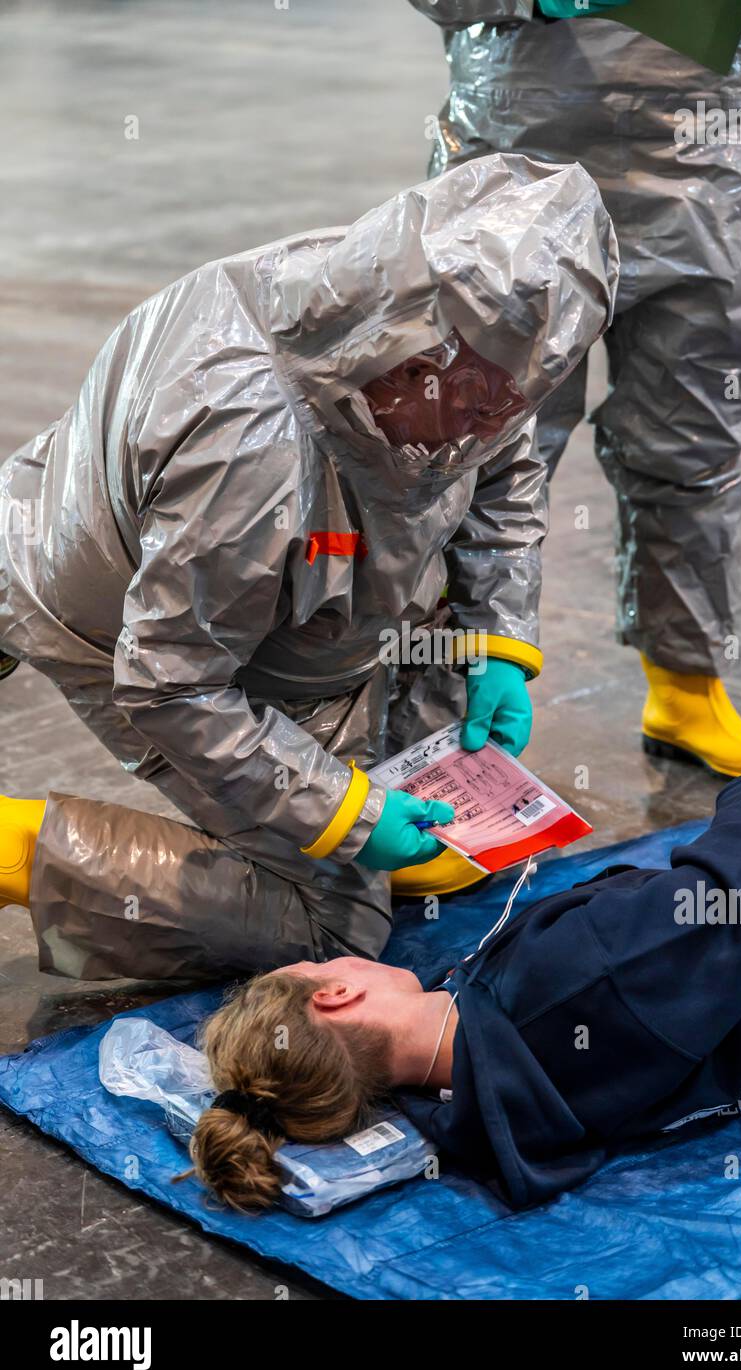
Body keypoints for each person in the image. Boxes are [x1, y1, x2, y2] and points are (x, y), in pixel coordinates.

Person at [0, 153, 618, 969]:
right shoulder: (247, 446)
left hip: (302, 602)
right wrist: (349, 815)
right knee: (332, 928)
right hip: (120, 615)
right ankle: (14, 844)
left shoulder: (418, 295)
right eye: (479, 401)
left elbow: (502, 466)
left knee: (436, 815)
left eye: (519, 397)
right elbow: (169, 683)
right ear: (410, 357)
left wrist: (491, 638)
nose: (496, 421)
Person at [409, 0, 741, 782]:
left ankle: (687, 689)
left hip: (704, 185)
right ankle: (439, 715)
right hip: (516, 179)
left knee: (695, 442)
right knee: (474, 451)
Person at [180, 768, 741, 1212]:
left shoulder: (478, 1115)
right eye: (320, 966)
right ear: (333, 997)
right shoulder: (562, 978)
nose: (342, 960)